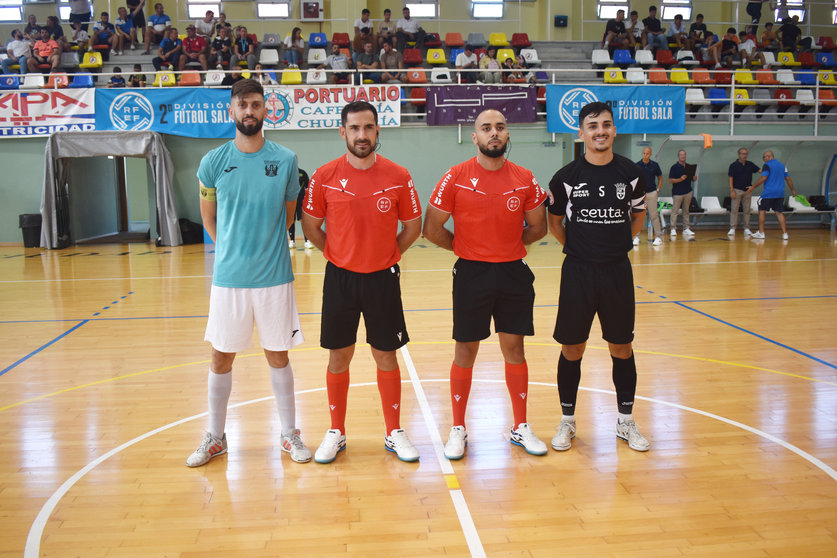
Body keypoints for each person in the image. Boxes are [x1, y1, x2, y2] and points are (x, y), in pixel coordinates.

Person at [189, 79, 311, 468]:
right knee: (221, 356)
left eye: (256, 104)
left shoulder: (286, 159)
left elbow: (289, 213)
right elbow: (209, 217)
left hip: (274, 275)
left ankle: (289, 433)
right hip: (229, 278)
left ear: (265, 109)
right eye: (242, 105)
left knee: (278, 354)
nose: (249, 111)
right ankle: (216, 437)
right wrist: (227, 247)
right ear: (231, 110)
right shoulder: (212, 161)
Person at [423, 109, 549, 460]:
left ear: (507, 135)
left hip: (513, 274)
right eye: (486, 128)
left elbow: (538, 227)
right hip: (472, 275)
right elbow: (431, 229)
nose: (494, 133)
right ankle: (458, 428)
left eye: (500, 127)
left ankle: (520, 426)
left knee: (515, 350)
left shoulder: (524, 178)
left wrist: (505, 246)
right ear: (474, 137)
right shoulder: (457, 176)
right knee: (465, 352)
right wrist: (468, 250)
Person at [301, 101, 422, 464]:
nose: (362, 135)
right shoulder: (324, 176)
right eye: (354, 128)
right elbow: (311, 228)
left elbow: (412, 227)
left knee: (386, 354)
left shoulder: (399, 175)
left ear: (377, 131)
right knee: (339, 355)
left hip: (383, 279)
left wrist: (385, 255)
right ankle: (336, 431)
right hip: (340, 279)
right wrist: (339, 256)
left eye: (368, 128)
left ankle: (393, 431)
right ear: (343, 132)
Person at [547, 101, 650, 454]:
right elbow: (555, 223)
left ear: (614, 130)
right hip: (577, 271)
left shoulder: (632, 173)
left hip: (617, 271)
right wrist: (580, 247)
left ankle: (625, 421)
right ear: (581, 132)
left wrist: (621, 242)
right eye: (593, 126)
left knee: (621, 347)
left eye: (606, 125)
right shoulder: (565, 179)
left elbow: (638, 215)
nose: (600, 131)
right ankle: (568, 421)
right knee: (572, 348)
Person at [746, 150, 797, 240]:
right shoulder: (782, 166)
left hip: (769, 193)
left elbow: (764, 177)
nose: (764, 159)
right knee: (779, 213)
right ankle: (785, 234)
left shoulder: (767, 165)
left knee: (762, 211)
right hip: (780, 193)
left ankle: (761, 233)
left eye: (764, 157)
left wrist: (753, 187)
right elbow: (788, 178)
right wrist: (793, 190)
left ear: (769, 157)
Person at [727, 147, 760, 237]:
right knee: (734, 210)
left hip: (747, 190)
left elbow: (760, 171)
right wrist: (732, 190)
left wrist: (769, 168)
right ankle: (732, 228)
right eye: (743, 154)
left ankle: (746, 228)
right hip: (737, 190)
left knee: (747, 210)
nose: (744, 155)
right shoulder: (733, 165)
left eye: (746, 154)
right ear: (739, 155)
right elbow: (731, 178)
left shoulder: (750, 164)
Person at [634, 146, 664, 246]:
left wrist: (657, 190)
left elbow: (660, 178)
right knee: (638, 215)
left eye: (647, 153)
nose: (645, 155)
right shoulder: (637, 165)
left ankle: (658, 237)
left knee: (654, 215)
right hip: (640, 194)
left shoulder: (655, 165)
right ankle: (636, 237)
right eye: (644, 153)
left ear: (650, 154)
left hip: (652, 193)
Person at [668, 149, 697, 238]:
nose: (683, 156)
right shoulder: (674, 167)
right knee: (675, 211)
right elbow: (670, 180)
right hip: (677, 193)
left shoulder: (689, 166)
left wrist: (694, 178)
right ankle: (673, 228)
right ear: (678, 156)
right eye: (681, 155)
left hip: (688, 191)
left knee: (686, 211)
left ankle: (686, 228)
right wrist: (680, 179)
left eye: (684, 155)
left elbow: (692, 178)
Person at [288, 168, 313, 250]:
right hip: (291, 200)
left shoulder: (302, 173)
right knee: (291, 220)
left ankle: (307, 241)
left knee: (303, 220)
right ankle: (292, 241)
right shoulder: (287, 172)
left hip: (301, 201)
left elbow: (308, 186)